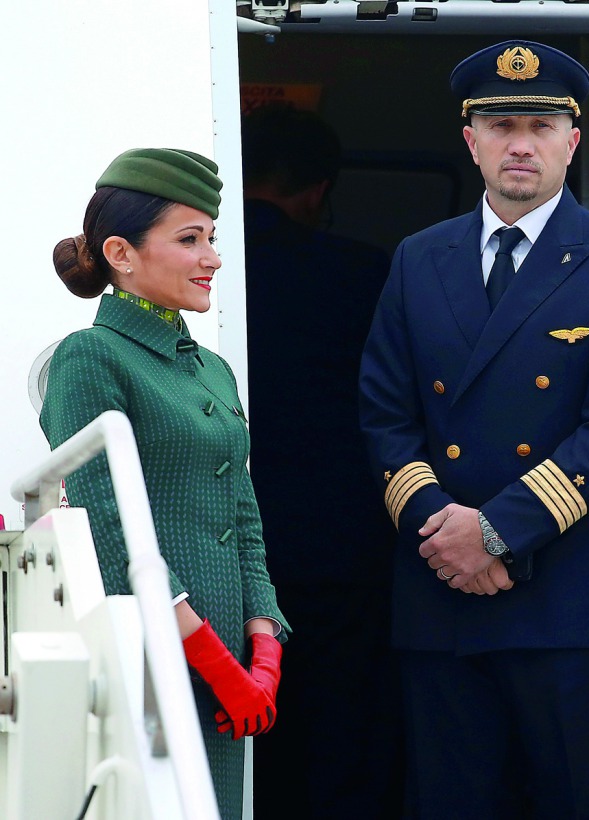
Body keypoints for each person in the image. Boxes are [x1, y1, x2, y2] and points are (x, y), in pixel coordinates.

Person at [359, 40, 589, 818]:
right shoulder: (417, 258)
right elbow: (386, 413)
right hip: (444, 598)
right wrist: (448, 536)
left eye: (540, 124)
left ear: (573, 139)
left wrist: (495, 533)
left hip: (569, 599)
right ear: (471, 141)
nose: (521, 143)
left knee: (581, 801)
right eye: (501, 125)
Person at [40, 148, 290, 820]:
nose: (211, 257)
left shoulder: (211, 369)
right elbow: (104, 523)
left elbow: (243, 508)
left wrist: (262, 642)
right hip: (151, 655)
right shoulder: (90, 356)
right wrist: (207, 654)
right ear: (121, 253)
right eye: (190, 240)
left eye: (211, 238)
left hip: (227, 661)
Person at [240, 104, 399, 819]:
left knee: (243, 715)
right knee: (344, 723)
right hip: (344, 535)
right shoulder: (363, 271)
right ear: (318, 191)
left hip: (228, 539)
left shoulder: (195, 272)